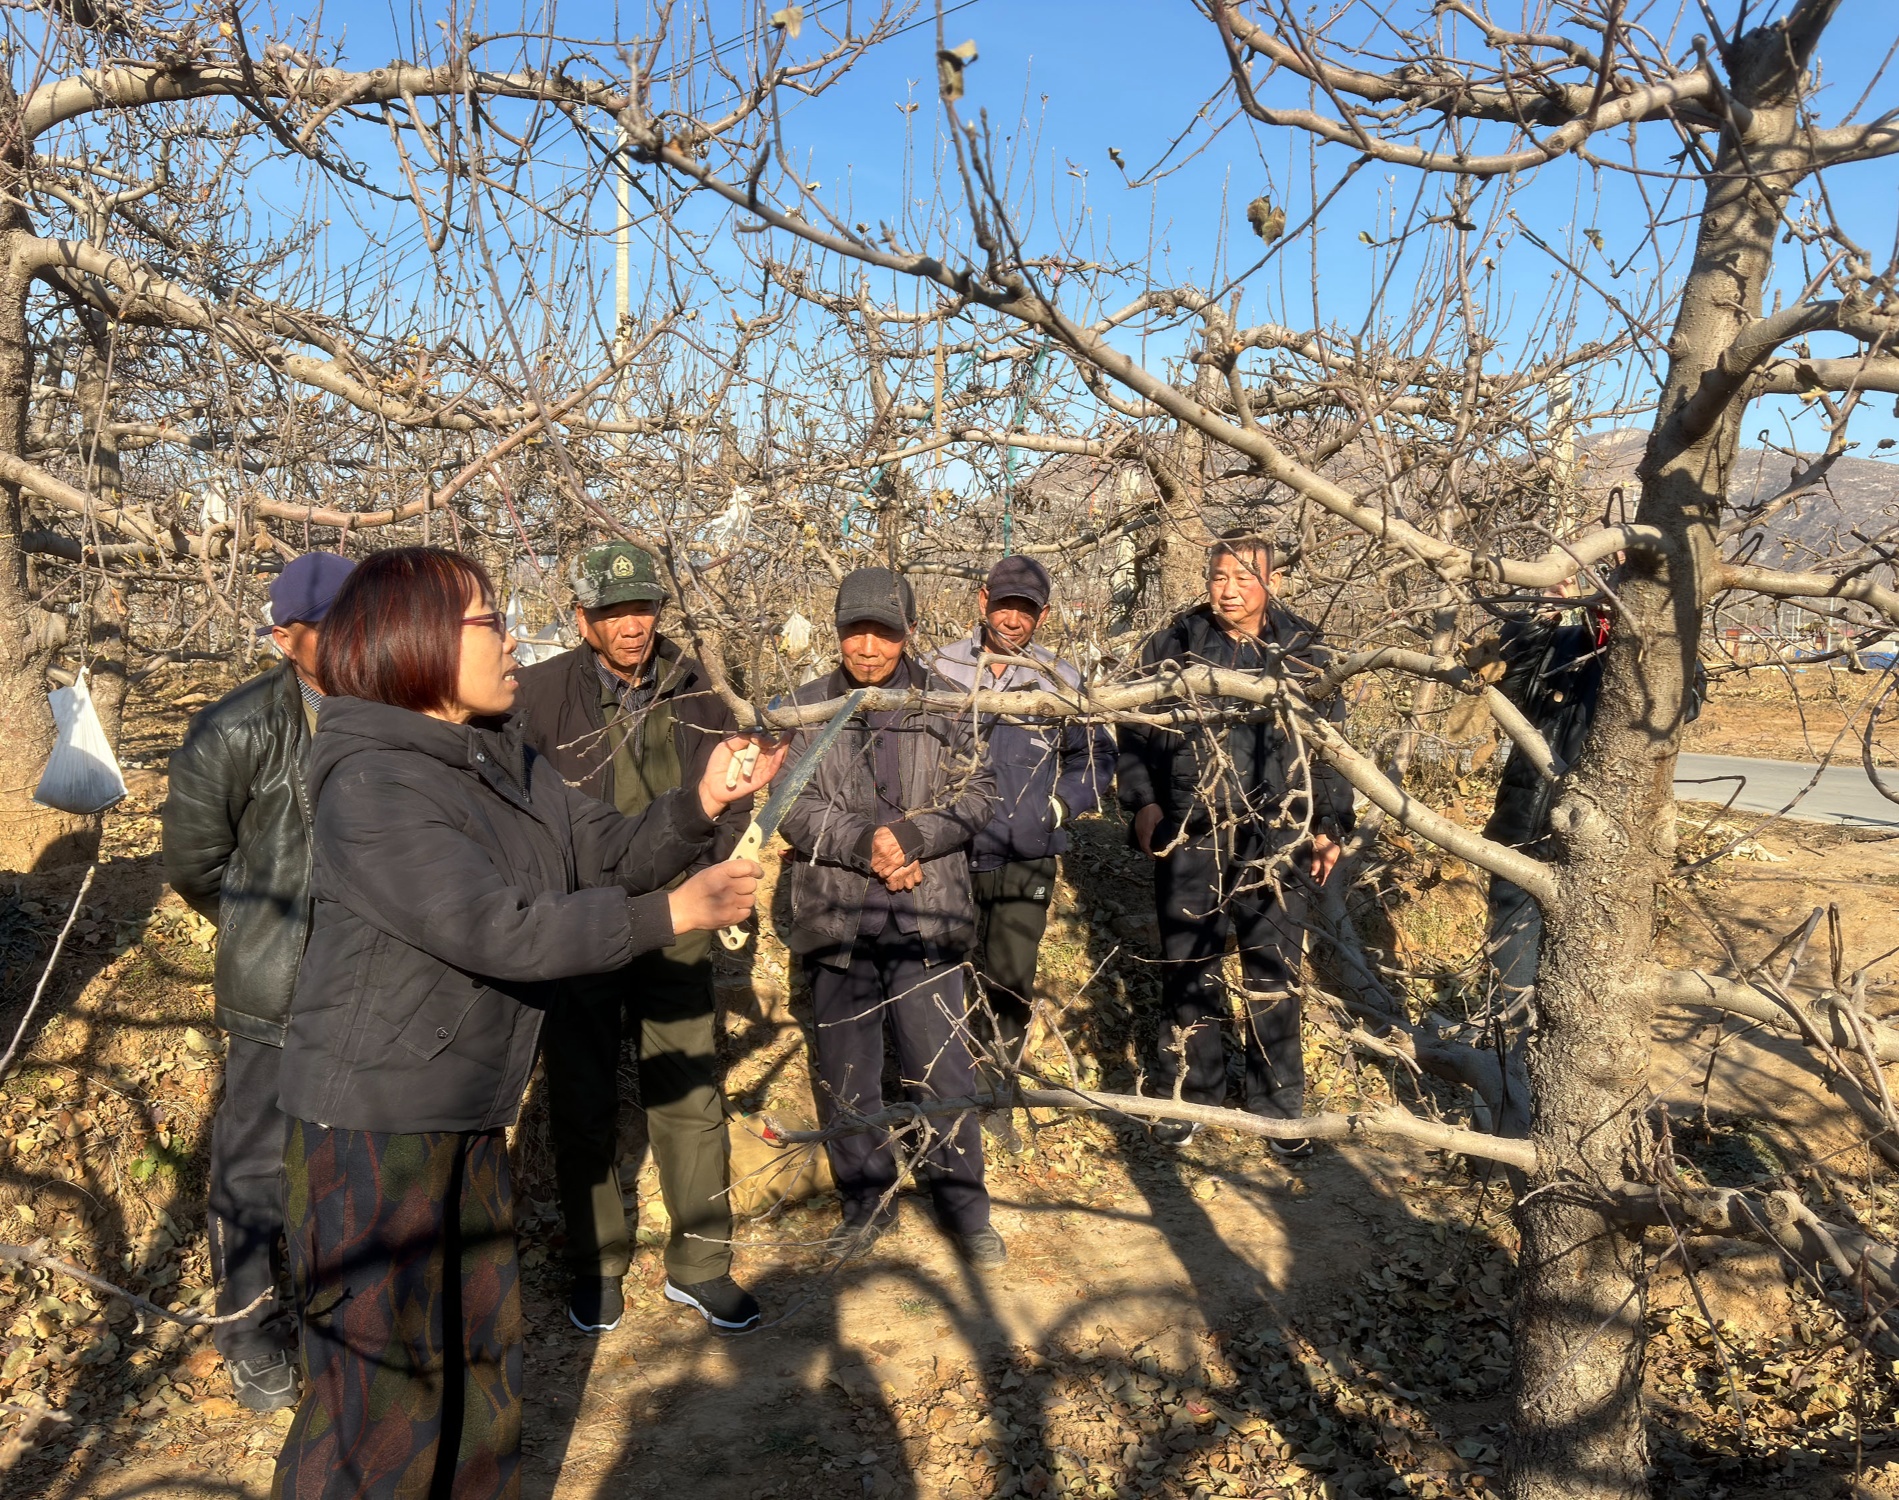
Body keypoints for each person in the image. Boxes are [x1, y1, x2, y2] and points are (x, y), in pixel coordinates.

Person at [272, 547, 782, 1500]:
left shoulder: (498, 754)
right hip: (376, 1127)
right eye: (487, 621)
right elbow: (498, 929)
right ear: (416, 641)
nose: (512, 638)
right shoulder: (374, 780)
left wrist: (701, 802)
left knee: (477, 1354)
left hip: (465, 1104)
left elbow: (603, 849)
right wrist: (674, 914)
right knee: (379, 1398)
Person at [511, 542, 758, 1337]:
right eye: (614, 611)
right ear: (581, 617)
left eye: (643, 607)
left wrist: (720, 879)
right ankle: (595, 1265)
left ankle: (702, 1266)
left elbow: (735, 793)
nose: (632, 625)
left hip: (678, 918)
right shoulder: (538, 695)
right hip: (580, 924)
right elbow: (517, 811)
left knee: (689, 1090)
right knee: (579, 1095)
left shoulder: (699, 688)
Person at [162, 550, 355, 1412]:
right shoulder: (233, 730)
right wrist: (261, 929)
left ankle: (339, 1320)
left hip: (375, 983)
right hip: (279, 986)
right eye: (336, 627)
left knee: (349, 1161)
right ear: (286, 638)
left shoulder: (396, 710)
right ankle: (246, 1330)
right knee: (252, 1168)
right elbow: (197, 864)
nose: (360, 641)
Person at [777, 566, 1004, 1264]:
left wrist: (912, 837)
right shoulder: (805, 706)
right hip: (838, 913)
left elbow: (978, 794)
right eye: (854, 632)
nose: (867, 647)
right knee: (848, 1070)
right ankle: (865, 1203)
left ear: (909, 633)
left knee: (942, 1069)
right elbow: (790, 803)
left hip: (924, 916)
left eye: (882, 632)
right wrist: (864, 845)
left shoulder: (946, 703)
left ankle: (962, 1206)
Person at [1116, 531, 1355, 1152]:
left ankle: (1278, 1107)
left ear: (1271, 581)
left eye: (1244, 578)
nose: (1229, 590)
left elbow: (1332, 747)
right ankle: (1192, 1096)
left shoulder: (1304, 649)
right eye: (1220, 577)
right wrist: (1141, 802)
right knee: (1188, 963)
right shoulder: (1172, 646)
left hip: (1278, 833)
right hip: (1191, 828)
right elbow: (1135, 729)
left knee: (1272, 969)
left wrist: (1330, 825)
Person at [928, 555, 1114, 1066]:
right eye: (1005, 605)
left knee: (1011, 978)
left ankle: (997, 1079)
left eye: (1026, 611)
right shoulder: (939, 669)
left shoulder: (1060, 679)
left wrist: (1059, 807)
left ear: (1044, 615)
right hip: (947, 850)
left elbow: (1094, 756)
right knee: (939, 970)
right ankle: (942, 1082)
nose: (1013, 619)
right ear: (984, 600)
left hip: (1025, 852)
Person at [1479, 584, 1610, 1009]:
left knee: (1580, 969)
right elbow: (1510, 683)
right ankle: (1505, 1049)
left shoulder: (1660, 656)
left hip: (1600, 838)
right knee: (1512, 954)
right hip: (1524, 819)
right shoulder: (1563, 643)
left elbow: (1688, 702)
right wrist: (1538, 618)